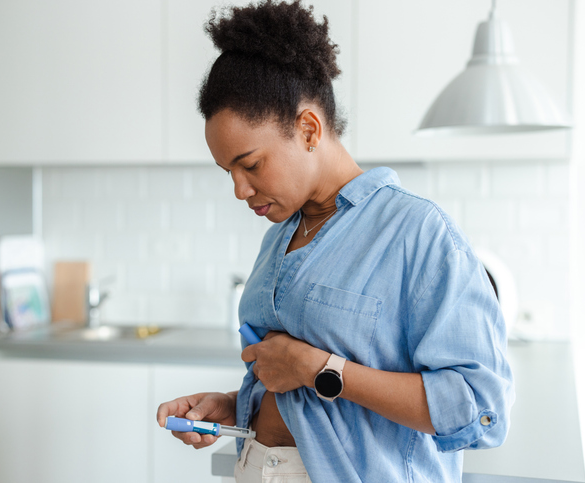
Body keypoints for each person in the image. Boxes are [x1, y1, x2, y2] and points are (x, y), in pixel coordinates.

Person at [156, 1, 515, 481]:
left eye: (252, 164)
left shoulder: (416, 232)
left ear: (308, 129)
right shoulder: (281, 236)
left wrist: (321, 369)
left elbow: (480, 408)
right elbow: (290, 384)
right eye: (229, 173)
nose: (240, 190)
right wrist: (233, 405)